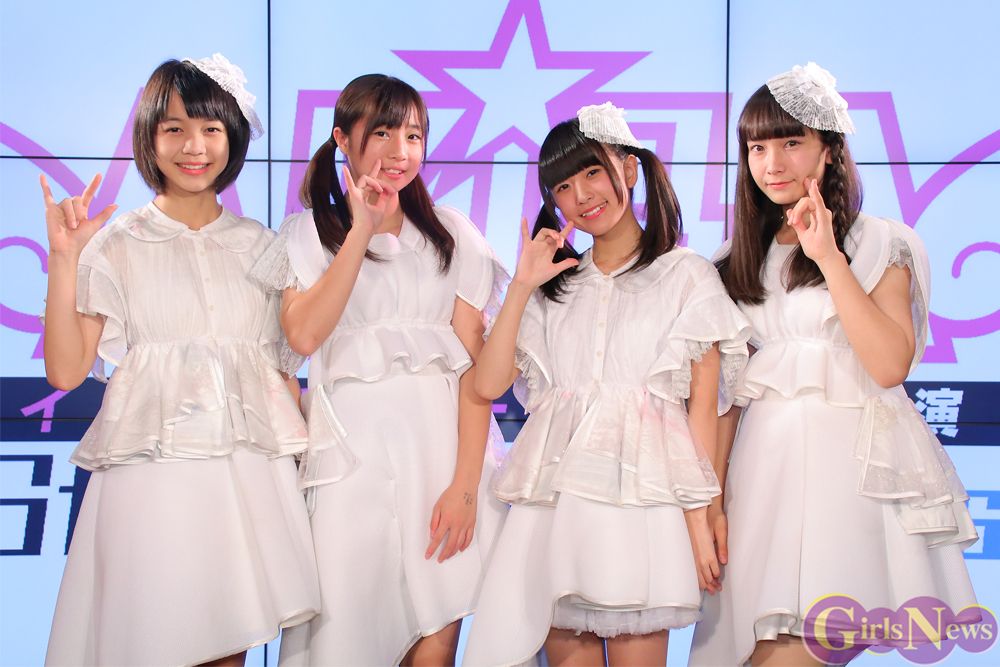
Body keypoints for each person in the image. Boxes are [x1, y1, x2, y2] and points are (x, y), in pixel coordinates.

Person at [689, 62, 979, 667]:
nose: (772, 163)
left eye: (791, 143)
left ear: (830, 150)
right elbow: (726, 400)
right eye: (757, 147)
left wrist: (827, 257)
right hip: (759, 476)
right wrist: (711, 506)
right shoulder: (731, 260)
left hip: (847, 474)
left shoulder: (882, 242)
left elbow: (889, 364)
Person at [42, 54, 319, 667]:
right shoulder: (116, 244)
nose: (194, 147)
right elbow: (65, 371)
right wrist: (64, 258)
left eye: (210, 129)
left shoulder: (262, 246)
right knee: (154, 637)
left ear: (233, 137)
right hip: (152, 472)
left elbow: (283, 372)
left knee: (228, 640)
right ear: (150, 138)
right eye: (175, 129)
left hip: (244, 476)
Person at [462, 103, 751, 666]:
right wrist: (522, 285)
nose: (581, 196)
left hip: (641, 515)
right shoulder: (555, 287)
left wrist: (700, 518)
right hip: (556, 515)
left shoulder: (686, 275)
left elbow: (701, 413)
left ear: (630, 168)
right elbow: (489, 384)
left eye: (592, 172)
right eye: (563, 187)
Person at [252, 73, 508, 666]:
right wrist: (360, 230)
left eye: (413, 136)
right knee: (347, 638)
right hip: (350, 467)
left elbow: (476, 379)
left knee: (435, 639)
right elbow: (304, 335)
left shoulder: (451, 234)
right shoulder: (306, 233)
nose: (400, 152)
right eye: (383, 133)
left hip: (441, 462)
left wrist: (466, 486)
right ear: (343, 138)